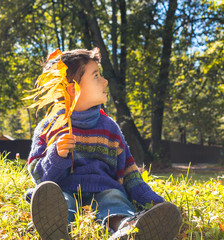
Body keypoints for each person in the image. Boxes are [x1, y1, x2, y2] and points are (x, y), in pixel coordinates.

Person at [26, 48, 182, 240]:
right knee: (59, 202)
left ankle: (126, 228)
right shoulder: (49, 127)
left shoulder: (110, 128)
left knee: (114, 200)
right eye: (96, 76)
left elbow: (129, 173)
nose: (105, 80)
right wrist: (56, 155)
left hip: (104, 188)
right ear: (72, 89)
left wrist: (155, 203)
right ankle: (56, 228)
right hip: (63, 189)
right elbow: (38, 176)